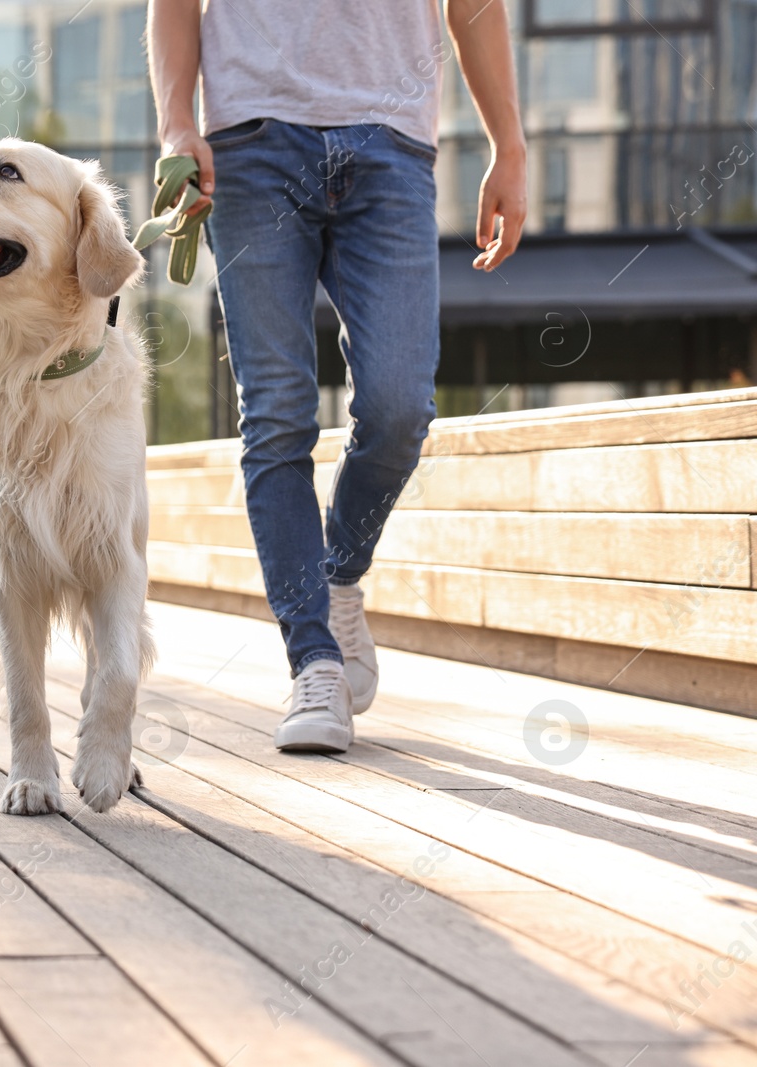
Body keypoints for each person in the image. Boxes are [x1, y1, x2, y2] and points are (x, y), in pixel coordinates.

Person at [148, 0, 526, 752]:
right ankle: (314, 660)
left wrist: (508, 145)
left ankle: (339, 575)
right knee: (278, 412)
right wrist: (174, 122)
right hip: (251, 139)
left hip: (392, 141)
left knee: (398, 406)